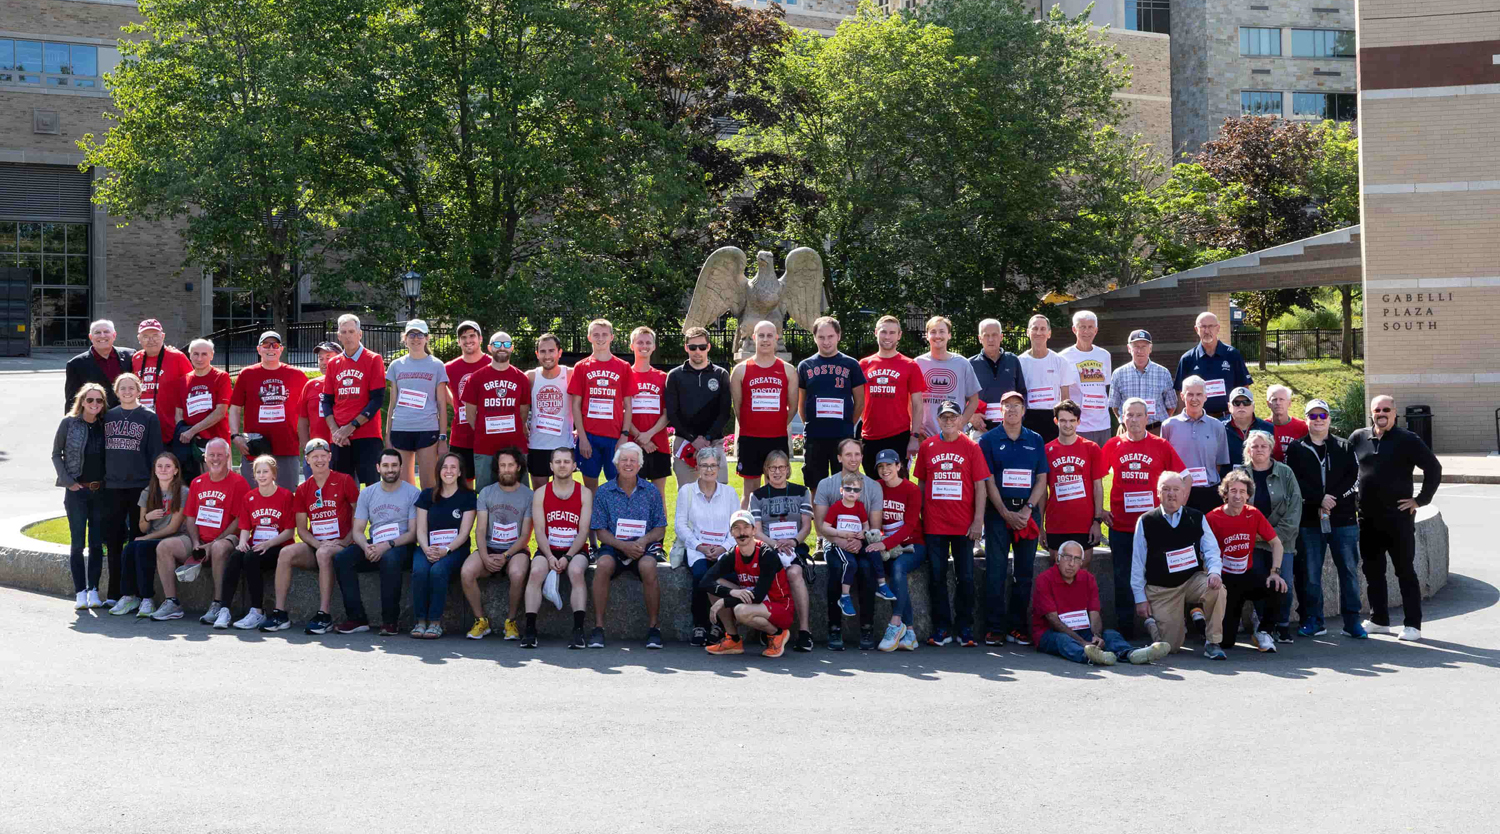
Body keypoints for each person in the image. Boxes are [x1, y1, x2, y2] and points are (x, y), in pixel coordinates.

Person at [1350, 394, 1441, 642]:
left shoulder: (1407, 439)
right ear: (1371, 412)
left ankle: (1413, 625)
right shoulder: (1358, 437)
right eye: (1377, 409)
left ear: (1394, 412)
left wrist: (1420, 500)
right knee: (1372, 571)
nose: (1381, 413)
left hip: (1398, 519)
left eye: (1386, 409)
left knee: (1405, 571)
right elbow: (1347, 469)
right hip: (1367, 519)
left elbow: (1434, 468)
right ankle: (1379, 620)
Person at [1101, 399, 1186, 639]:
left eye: (1139, 415)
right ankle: (1126, 631)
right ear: (1122, 418)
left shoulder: (1161, 445)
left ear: (1147, 418)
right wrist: (1100, 510)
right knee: (1122, 578)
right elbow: (1095, 478)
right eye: (1129, 415)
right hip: (1121, 526)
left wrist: (1178, 509)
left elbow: (1184, 477)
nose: (1134, 420)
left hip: (1154, 526)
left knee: (1158, 576)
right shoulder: (1113, 444)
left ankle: (1160, 627)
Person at [1286, 398, 1365, 639]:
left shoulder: (1344, 446)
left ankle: (1352, 622)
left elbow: (1354, 477)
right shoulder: (1296, 448)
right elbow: (1294, 482)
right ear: (1306, 419)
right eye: (1313, 416)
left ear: (1329, 419)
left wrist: (1333, 499)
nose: (1318, 420)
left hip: (1343, 519)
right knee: (1310, 574)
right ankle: (1314, 620)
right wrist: (1318, 499)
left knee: (1349, 572)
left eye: (1322, 416)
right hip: (1310, 521)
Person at [262, 438, 358, 634]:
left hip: (341, 544)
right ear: (307, 459)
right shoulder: (303, 488)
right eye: (315, 457)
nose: (319, 460)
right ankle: (280, 613)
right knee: (286, 553)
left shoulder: (344, 480)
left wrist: (346, 540)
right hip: (317, 544)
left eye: (323, 456)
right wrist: (318, 544)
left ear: (330, 457)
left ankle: (324, 615)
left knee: (324, 554)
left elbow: (359, 515)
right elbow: (302, 529)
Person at [915, 401, 990, 648]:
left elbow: (980, 487)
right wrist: (920, 514)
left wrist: (978, 521)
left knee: (965, 577)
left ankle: (965, 626)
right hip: (934, 524)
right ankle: (941, 627)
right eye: (944, 417)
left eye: (953, 417)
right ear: (938, 420)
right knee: (936, 577)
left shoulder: (972, 447)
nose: (948, 421)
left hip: (963, 525)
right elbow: (921, 484)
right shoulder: (927, 446)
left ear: (960, 420)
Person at [1131, 471, 1227, 659]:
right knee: (1170, 647)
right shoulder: (1146, 521)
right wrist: (1140, 598)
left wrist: (1215, 572)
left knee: (1217, 590)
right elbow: (1138, 563)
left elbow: (1211, 550)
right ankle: (1153, 624)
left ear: (1184, 493)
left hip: (1192, 581)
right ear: (1158, 493)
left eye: (1176, 489)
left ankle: (1213, 642)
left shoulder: (1197, 517)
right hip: (1162, 589)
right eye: (1166, 489)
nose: (1171, 494)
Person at [976, 390, 1047, 646]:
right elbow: (988, 480)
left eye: (1017, 405)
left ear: (1024, 410)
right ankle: (994, 627)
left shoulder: (1035, 439)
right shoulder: (988, 440)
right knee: (996, 570)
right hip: (998, 513)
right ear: (1001, 410)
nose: (1013, 409)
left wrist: (1027, 510)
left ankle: (1017, 627)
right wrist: (1005, 512)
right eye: (1008, 405)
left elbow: (1041, 479)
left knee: (1024, 573)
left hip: (1027, 512)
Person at [1033, 541, 1172, 666]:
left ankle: (1130, 654)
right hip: (1050, 632)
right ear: (1058, 559)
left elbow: (1094, 613)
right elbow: (1053, 621)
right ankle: (1089, 656)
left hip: (1082, 629)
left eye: (1077, 559)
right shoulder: (1044, 579)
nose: (1071, 563)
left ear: (1081, 562)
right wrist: (1082, 642)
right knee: (1062, 640)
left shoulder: (1088, 579)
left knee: (1110, 634)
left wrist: (1096, 636)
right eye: (1067, 557)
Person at [588, 442, 668, 649]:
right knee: (603, 565)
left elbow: (660, 528)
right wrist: (623, 546)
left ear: (640, 465)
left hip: (643, 546)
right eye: (624, 460)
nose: (628, 464)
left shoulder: (651, 491)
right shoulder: (604, 492)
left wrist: (642, 542)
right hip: (614, 546)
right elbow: (600, 530)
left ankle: (654, 628)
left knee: (648, 566)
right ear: (616, 464)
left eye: (633, 460)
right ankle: (598, 627)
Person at [333, 448, 421, 636]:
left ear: (401, 467)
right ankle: (357, 618)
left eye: (394, 465)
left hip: (401, 545)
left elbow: (413, 533)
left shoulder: (412, 493)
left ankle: (390, 621)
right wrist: (366, 547)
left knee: (390, 559)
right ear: (378, 468)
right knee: (342, 559)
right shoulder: (367, 493)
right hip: (375, 542)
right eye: (386, 465)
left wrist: (387, 545)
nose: (390, 469)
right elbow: (357, 530)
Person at [160, 438, 245, 622]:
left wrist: (213, 543)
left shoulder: (238, 483)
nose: (215, 459)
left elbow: (239, 521)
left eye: (220, 455)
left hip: (227, 539)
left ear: (228, 457)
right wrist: (196, 542)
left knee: (219, 548)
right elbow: (190, 517)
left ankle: (219, 604)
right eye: (211, 455)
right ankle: (172, 603)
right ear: (205, 457)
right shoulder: (197, 482)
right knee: (164, 547)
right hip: (199, 540)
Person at [812, 438, 884, 650]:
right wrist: (841, 541)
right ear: (839, 458)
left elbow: (875, 527)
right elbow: (821, 526)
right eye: (848, 454)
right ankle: (834, 627)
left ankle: (867, 627)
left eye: (857, 454)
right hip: (834, 541)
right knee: (837, 568)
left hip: (863, 542)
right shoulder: (826, 485)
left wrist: (859, 542)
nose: (853, 459)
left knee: (866, 568)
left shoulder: (873, 487)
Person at [1206, 470, 1286, 652]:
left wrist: (1275, 572)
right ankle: (1205, 623)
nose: (1238, 496)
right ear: (1225, 493)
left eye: (1242, 491)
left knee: (1277, 586)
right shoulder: (1212, 518)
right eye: (1233, 491)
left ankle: (1264, 632)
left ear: (1248, 495)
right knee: (1227, 643)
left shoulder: (1253, 514)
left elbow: (1277, 544)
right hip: (1225, 582)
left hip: (1247, 576)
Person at [102, 373, 164, 607]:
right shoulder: (108, 416)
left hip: (140, 486)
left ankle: (139, 593)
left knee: (138, 539)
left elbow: (156, 453)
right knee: (114, 540)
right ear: (116, 392)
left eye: (131, 388)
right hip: (113, 487)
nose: (127, 392)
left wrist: (153, 487)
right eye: (123, 388)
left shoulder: (149, 417)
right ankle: (114, 593)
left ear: (139, 390)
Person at [459, 447, 532, 641]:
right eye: (502, 465)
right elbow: (480, 530)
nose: (506, 469)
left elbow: (525, 535)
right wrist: (484, 557)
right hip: (490, 547)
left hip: (515, 550)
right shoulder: (486, 493)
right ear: (497, 468)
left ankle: (511, 621)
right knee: (467, 572)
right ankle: (480, 621)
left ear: (518, 467)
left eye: (510, 465)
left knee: (517, 573)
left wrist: (506, 556)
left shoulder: (528, 495)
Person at [1235, 430, 1302, 643]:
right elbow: (1233, 506)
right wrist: (1252, 536)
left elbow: (1295, 507)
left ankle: (1282, 625)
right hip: (1252, 541)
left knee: (1284, 583)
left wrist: (1273, 537)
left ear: (1271, 448)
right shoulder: (1240, 474)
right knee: (1259, 582)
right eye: (1254, 446)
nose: (1259, 450)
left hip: (1282, 540)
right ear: (1248, 450)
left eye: (1263, 446)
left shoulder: (1285, 472)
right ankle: (1265, 626)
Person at [700, 510, 795, 658]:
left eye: (746, 527)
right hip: (753, 601)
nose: (742, 532)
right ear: (731, 532)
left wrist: (724, 602)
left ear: (754, 530)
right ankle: (733, 639)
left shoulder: (766, 553)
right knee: (715, 586)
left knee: (741, 611)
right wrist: (731, 592)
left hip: (779, 606)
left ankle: (777, 634)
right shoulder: (734, 553)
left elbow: (758, 596)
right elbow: (705, 582)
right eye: (736, 528)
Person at [673, 445, 741, 646]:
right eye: (704, 465)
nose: (709, 470)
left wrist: (723, 547)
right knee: (701, 575)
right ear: (697, 467)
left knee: (725, 576)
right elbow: (680, 525)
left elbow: (737, 526)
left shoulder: (729, 493)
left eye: (713, 465)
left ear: (719, 468)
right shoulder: (687, 491)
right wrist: (700, 546)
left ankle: (719, 625)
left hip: (724, 550)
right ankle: (700, 625)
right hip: (697, 550)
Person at [749, 450, 816, 652]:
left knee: (794, 573)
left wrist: (793, 542)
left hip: (794, 546)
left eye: (781, 467)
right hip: (769, 546)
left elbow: (807, 527)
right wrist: (775, 544)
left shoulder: (801, 491)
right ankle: (770, 628)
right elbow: (756, 531)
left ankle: (804, 631)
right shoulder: (757, 495)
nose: (777, 472)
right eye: (772, 468)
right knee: (769, 573)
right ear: (766, 470)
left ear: (788, 469)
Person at [220, 455, 297, 630]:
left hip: (278, 546)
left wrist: (268, 544)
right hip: (256, 544)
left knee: (251, 558)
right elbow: (245, 527)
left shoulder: (285, 496)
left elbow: (289, 531)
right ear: (254, 476)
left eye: (265, 471)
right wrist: (242, 542)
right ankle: (224, 609)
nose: (262, 475)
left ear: (274, 474)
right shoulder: (249, 497)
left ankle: (257, 611)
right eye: (258, 472)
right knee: (235, 557)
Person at [529, 447, 594, 649]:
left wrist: (567, 556)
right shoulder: (540, 493)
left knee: (576, 571)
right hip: (548, 548)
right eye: (558, 462)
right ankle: (530, 629)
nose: (562, 465)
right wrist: (549, 557)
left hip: (575, 550)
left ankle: (578, 630)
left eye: (566, 462)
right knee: (536, 571)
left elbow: (583, 531)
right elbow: (539, 530)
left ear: (574, 466)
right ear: (551, 466)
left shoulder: (584, 493)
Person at [729, 320, 798, 506]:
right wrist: (751, 425)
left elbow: (793, 407)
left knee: (775, 489)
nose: (765, 339)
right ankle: (745, 524)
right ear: (754, 338)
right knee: (750, 491)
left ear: (776, 338)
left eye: (769, 335)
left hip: (777, 438)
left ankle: (774, 524)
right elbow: (738, 406)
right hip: (750, 439)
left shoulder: (788, 370)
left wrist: (778, 424)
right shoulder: (740, 370)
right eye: (761, 335)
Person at [113, 453, 189, 617]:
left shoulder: (183, 492)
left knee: (141, 547)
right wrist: (148, 517)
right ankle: (129, 596)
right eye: (159, 466)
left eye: (168, 466)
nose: (163, 470)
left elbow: (173, 528)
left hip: (174, 538)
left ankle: (147, 599)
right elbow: (142, 527)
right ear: (154, 470)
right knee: (130, 548)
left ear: (176, 470)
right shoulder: (147, 492)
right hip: (153, 538)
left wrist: (146, 538)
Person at [55, 383, 110, 610]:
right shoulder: (69, 423)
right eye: (90, 400)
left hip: (100, 492)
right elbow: (56, 454)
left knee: (96, 544)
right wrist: (68, 482)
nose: (94, 404)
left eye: (99, 400)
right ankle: (80, 592)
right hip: (77, 493)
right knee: (77, 544)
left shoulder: (106, 425)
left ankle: (94, 590)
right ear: (82, 401)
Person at [410, 452, 477, 638]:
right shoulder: (426, 495)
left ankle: (435, 623)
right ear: (438, 471)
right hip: (428, 547)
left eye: (453, 467)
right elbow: (420, 529)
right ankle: (420, 622)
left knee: (438, 571)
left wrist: (446, 550)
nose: (448, 471)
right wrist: (426, 549)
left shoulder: (468, 497)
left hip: (455, 549)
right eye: (444, 467)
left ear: (460, 472)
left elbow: (464, 533)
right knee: (420, 570)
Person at [820, 471, 893, 640]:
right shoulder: (836, 507)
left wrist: (863, 534)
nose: (852, 492)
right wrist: (841, 534)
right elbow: (825, 527)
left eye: (856, 490)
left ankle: (882, 585)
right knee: (849, 564)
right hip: (841, 543)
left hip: (857, 542)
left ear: (860, 492)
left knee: (873, 552)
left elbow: (866, 525)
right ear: (841, 490)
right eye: (848, 489)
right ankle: (844, 598)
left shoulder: (859, 507)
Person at [229, 330, 306, 489]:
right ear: (259, 349)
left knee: (286, 495)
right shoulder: (247, 374)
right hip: (255, 447)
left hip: (287, 446)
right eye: (266, 345)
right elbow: (235, 408)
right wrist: (235, 436)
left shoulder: (296, 375)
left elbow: (307, 409)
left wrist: (305, 438)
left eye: (275, 345)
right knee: (254, 495)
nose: (271, 348)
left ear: (281, 349)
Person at [797, 316, 866, 487]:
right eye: (821, 337)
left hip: (842, 437)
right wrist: (810, 424)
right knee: (815, 484)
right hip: (815, 436)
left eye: (830, 336)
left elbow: (860, 402)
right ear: (814, 337)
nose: (826, 342)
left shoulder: (851, 365)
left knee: (844, 484)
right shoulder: (805, 366)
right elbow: (801, 404)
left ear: (838, 336)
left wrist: (848, 424)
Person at [568, 318, 636, 490]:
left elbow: (628, 406)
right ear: (589, 337)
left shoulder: (623, 367)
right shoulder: (581, 367)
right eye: (596, 334)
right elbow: (576, 405)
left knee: (618, 487)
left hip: (615, 437)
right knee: (590, 488)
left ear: (611, 337)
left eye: (604, 334)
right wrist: (582, 438)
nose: (600, 338)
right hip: (590, 436)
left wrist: (624, 436)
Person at [385, 319, 451, 489]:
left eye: (420, 334)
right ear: (405, 338)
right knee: (404, 487)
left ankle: (428, 508)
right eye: (411, 335)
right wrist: (387, 435)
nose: (416, 338)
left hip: (427, 429)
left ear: (427, 338)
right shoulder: (396, 365)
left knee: (429, 485)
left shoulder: (437, 365)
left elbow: (442, 405)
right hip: (401, 428)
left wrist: (443, 437)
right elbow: (392, 404)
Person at [323, 314, 387, 486]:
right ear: (338, 336)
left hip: (367, 435)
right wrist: (336, 432)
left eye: (351, 331)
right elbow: (326, 401)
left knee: (371, 487)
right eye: (344, 332)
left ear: (360, 334)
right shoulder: (333, 363)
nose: (348, 336)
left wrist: (351, 427)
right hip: (339, 438)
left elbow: (377, 400)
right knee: (341, 489)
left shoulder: (373, 359)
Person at [463, 330, 530, 492]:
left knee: (520, 494)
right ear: (489, 348)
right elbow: (470, 414)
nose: (502, 348)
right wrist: (484, 430)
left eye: (506, 344)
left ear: (512, 347)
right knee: (485, 494)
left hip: (515, 446)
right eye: (497, 344)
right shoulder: (476, 378)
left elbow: (523, 413)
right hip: (485, 447)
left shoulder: (521, 378)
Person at [858, 315, 925, 477]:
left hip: (898, 436)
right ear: (876, 332)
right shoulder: (864, 364)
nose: (887, 337)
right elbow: (859, 401)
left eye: (892, 333)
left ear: (899, 335)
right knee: (873, 486)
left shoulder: (910, 365)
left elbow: (917, 405)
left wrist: (914, 437)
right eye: (883, 332)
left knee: (898, 485)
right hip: (870, 436)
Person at [664, 326, 731, 487]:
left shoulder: (721, 374)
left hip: (714, 441)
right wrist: (693, 439)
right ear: (686, 348)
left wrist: (706, 439)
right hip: (684, 442)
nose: (697, 351)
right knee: (687, 493)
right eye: (693, 347)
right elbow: (672, 413)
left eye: (702, 347)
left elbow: (724, 412)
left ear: (708, 347)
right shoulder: (674, 375)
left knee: (720, 491)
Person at [871, 448, 924, 652]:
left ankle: (895, 623)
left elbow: (910, 526)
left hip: (913, 545)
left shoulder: (911, 490)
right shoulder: (876, 486)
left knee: (898, 568)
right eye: (881, 466)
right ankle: (909, 632)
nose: (885, 470)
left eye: (889, 465)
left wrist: (884, 544)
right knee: (894, 572)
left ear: (899, 466)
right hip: (889, 545)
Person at [1043, 400, 1106, 566]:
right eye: (1063, 420)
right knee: (1057, 568)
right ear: (1056, 421)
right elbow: (1042, 491)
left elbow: (1098, 487)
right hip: (1056, 522)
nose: (1067, 425)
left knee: (1083, 568)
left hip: (1084, 523)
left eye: (1072, 420)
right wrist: (1041, 526)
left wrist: (1097, 521)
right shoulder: (1047, 450)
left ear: (1078, 421)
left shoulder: (1091, 448)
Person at [160, 338, 232, 480]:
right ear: (190, 355)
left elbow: (220, 412)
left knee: (219, 481)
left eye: (204, 354)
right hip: (191, 443)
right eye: (195, 354)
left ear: (212, 355)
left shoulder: (221, 377)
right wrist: (185, 432)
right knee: (195, 483)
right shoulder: (183, 381)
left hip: (216, 440)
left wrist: (193, 431)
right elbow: (179, 413)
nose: (199, 358)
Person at [1162, 376, 1232, 515]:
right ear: (1182, 396)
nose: (1194, 399)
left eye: (1199, 394)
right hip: (1179, 493)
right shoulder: (1169, 426)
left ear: (1206, 396)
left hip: (1209, 491)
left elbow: (1219, 463)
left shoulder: (1217, 426)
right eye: (1190, 394)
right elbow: (1165, 462)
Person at [1017, 314, 1082, 444]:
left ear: (1049, 333)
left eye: (1042, 329)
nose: (1038, 332)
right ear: (1028, 332)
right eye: (1035, 328)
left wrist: (1064, 421)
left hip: (1052, 419)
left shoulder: (1060, 361)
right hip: (1027, 418)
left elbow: (1065, 397)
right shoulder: (1019, 362)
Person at [915, 315, 980, 442]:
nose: (937, 335)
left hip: (954, 436)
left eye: (942, 331)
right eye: (933, 332)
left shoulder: (962, 364)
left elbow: (974, 400)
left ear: (949, 335)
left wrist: (961, 423)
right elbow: (909, 399)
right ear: (927, 336)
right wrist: (916, 425)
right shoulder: (917, 363)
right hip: (925, 435)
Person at [1175, 312, 1252, 417]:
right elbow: (1181, 393)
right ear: (1196, 329)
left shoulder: (1233, 355)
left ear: (1218, 328)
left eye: (1211, 326)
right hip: (1198, 419)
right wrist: (1182, 420)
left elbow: (1244, 387)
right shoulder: (1187, 359)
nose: (1207, 331)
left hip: (1228, 418)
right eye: (1203, 327)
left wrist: (1245, 417)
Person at [626, 326, 672, 495]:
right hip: (631, 445)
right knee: (632, 495)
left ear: (654, 347)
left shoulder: (663, 377)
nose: (644, 346)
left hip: (658, 444)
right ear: (632, 346)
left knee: (658, 496)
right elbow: (621, 412)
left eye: (648, 342)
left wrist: (649, 435)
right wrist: (641, 437)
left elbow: (668, 413)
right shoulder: (625, 375)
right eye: (640, 342)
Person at [525, 333, 574, 487]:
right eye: (543, 351)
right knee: (540, 493)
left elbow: (582, 404)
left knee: (563, 493)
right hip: (537, 445)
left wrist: (579, 429)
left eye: (551, 351)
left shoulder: (570, 374)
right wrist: (523, 426)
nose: (547, 356)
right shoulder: (531, 377)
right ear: (537, 354)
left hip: (563, 444)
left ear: (559, 352)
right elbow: (520, 406)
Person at [1059, 311, 1113, 446]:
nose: (1086, 331)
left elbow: (1104, 387)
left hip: (1102, 424)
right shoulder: (1063, 357)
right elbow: (1063, 394)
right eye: (1082, 327)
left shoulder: (1104, 355)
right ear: (1074, 329)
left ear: (1096, 330)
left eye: (1090, 327)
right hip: (1079, 426)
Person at [444, 321, 488, 486]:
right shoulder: (449, 368)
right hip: (461, 436)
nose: (468, 340)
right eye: (463, 337)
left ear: (480, 339)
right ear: (458, 341)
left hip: (488, 436)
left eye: (472, 336)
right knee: (463, 486)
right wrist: (456, 403)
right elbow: (439, 390)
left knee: (489, 486)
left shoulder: (493, 363)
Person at [1108, 329, 1177, 432]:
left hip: (1155, 430)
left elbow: (1171, 405)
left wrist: (1158, 424)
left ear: (1150, 348)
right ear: (1129, 348)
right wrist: (1125, 422)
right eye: (1136, 346)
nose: (1140, 351)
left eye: (1144, 346)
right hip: (1127, 430)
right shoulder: (1118, 374)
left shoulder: (1163, 373)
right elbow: (1114, 405)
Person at [969, 318, 1026, 434]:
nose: (991, 339)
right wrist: (970, 417)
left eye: (994, 335)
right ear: (980, 338)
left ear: (1001, 337)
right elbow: (961, 397)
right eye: (986, 335)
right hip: (981, 429)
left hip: (1010, 428)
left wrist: (1020, 416)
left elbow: (1022, 392)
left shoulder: (1013, 360)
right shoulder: (970, 364)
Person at [64, 319, 135, 411]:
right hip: (95, 416)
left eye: (106, 332)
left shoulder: (130, 356)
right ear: (90, 337)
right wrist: (71, 419)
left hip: (128, 415)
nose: (102, 336)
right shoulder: (76, 364)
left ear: (114, 335)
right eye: (97, 332)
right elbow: (72, 400)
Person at [130, 319, 191, 424]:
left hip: (170, 424)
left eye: (155, 335)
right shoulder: (136, 358)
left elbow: (191, 387)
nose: (151, 340)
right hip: (142, 422)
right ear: (139, 339)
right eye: (145, 336)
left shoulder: (177, 357)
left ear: (163, 336)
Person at [298, 342, 340, 478]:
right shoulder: (310, 385)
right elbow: (303, 420)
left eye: (328, 358)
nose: (324, 362)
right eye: (321, 359)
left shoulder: (347, 384)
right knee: (314, 490)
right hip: (316, 451)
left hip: (341, 449)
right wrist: (306, 447)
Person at [1222, 386, 1272, 466]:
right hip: (1228, 474)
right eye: (1236, 403)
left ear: (1253, 406)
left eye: (1246, 402)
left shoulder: (1268, 429)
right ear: (1229, 407)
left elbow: (1275, 458)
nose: (1241, 406)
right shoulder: (1219, 428)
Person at [1265, 385, 1308, 462]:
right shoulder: (1262, 427)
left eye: (1282, 399)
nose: (1278, 403)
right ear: (1268, 404)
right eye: (1274, 399)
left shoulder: (1302, 427)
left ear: (1289, 403)